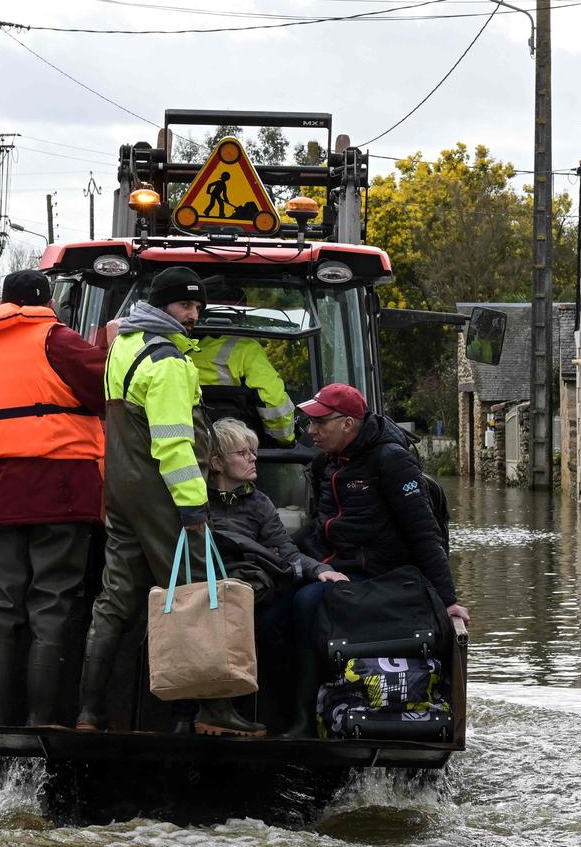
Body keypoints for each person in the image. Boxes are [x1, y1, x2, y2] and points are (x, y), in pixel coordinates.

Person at [76, 267, 264, 737]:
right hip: (163, 497)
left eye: (197, 306)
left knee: (116, 599)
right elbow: (175, 446)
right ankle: (213, 712)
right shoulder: (169, 363)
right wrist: (194, 510)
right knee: (200, 592)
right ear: (161, 306)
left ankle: (89, 713)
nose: (193, 315)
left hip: (120, 493)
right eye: (185, 306)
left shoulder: (124, 347)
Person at [0, 270, 106, 728]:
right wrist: (110, 344)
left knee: (3, 606)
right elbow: (105, 388)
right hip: (61, 486)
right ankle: (45, 720)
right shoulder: (56, 339)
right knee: (52, 602)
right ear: (48, 302)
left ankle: (4, 722)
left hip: (1, 491)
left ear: (4, 301)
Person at [288, 383, 470, 738]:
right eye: (309, 422)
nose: (310, 431)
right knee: (274, 603)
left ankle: (304, 720)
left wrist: (448, 601)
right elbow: (321, 526)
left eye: (318, 423)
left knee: (305, 605)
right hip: (334, 566)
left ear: (347, 424)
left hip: (373, 575)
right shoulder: (327, 462)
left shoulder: (391, 460)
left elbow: (423, 533)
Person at [207, 418, 345, 733]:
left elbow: (286, 550)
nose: (253, 458)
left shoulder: (259, 503)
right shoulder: (196, 503)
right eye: (242, 453)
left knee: (272, 625)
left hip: (256, 591)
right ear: (216, 463)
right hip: (215, 590)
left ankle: (282, 714)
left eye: (253, 451)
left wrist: (320, 570)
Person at [192, 280, 296, 445]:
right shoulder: (244, 348)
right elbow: (272, 399)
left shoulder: (172, 345)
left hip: (187, 445)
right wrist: (285, 439)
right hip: (235, 447)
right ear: (240, 312)